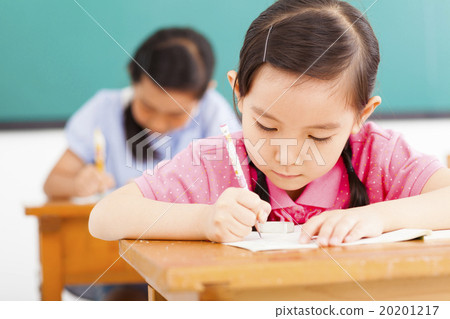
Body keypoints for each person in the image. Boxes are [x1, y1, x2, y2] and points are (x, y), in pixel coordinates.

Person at [89, 0, 450, 248]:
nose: (287, 156)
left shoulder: (380, 155)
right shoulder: (214, 163)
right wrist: (203, 221)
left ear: (361, 115)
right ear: (239, 94)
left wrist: (380, 218)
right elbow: (105, 217)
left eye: (319, 135)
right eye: (267, 126)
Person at [44, 27, 240, 198]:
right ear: (132, 76)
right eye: (147, 107)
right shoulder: (104, 109)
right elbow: (52, 183)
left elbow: (237, 184)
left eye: (176, 114)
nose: (158, 124)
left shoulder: (213, 112)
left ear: (205, 92)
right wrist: (77, 185)